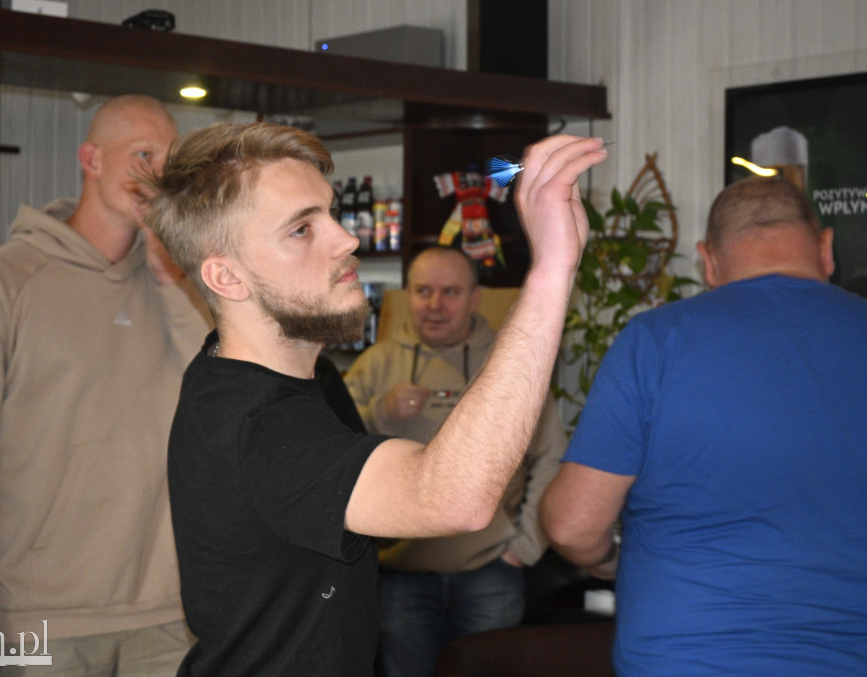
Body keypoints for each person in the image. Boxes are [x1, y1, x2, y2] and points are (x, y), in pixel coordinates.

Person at [144, 121, 606, 676]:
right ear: (227, 277)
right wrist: (552, 270)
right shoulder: (253, 421)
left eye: (331, 214)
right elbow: (452, 497)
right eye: (301, 229)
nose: (346, 240)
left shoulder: (303, 380)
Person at [0, 95, 213, 676]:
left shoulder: (183, 291)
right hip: (39, 622)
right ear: (91, 160)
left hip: (168, 618)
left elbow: (226, 395)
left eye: (170, 162)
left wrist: (169, 275)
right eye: (143, 155)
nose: (159, 176)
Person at [540, 176, 867, 674]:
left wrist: (609, 561)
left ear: (707, 261)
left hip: (685, 657)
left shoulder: (655, 340)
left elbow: (573, 524)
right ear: (826, 248)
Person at [344, 245, 567, 677]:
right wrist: (379, 413)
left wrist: (524, 547)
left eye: (450, 292)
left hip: (491, 571)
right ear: (407, 295)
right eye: (423, 291)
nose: (435, 304)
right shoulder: (377, 364)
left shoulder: (509, 366)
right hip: (401, 574)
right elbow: (333, 452)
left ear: (474, 298)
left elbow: (550, 457)